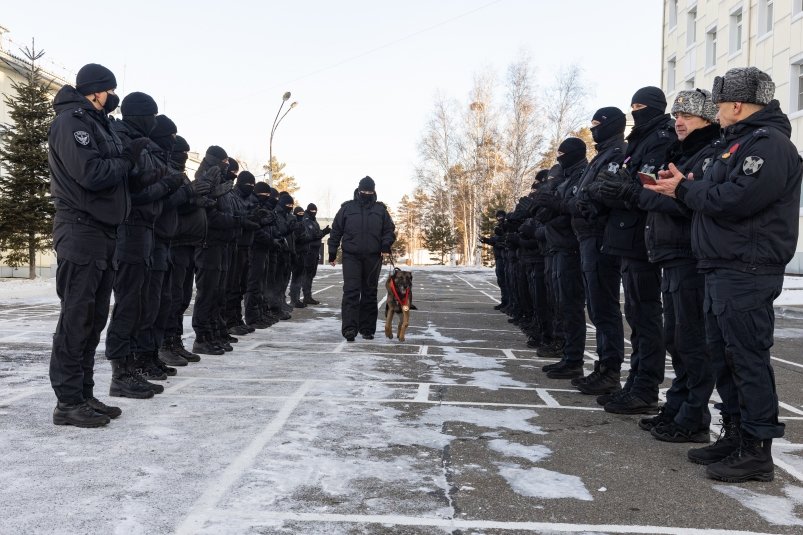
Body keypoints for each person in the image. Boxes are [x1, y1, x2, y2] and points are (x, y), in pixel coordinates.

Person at [646, 67, 803, 482]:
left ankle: (756, 451)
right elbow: (709, 190)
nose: (715, 111)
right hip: (721, 265)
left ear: (736, 104)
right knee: (724, 356)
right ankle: (734, 435)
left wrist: (685, 190)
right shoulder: (737, 144)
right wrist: (685, 183)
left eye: (718, 104)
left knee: (746, 358)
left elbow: (734, 199)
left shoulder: (769, 145)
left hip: (747, 268)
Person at [608, 89, 720, 443]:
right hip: (669, 251)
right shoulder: (683, 152)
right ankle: (677, 406)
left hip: (688, 253)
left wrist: (642, 193)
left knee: (691, 340)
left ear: (708, 118)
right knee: (677, 338)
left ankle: (693, 416)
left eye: (688, 115)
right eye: (677, 116)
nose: (680, 122)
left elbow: (686, 203)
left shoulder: (708, 154)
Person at [48, 63, 150, 426]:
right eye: (109, 90)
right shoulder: (71, 123)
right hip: (80, 230)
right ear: (97, 90)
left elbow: (116, 177)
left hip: (102, 231)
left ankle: (84, 393)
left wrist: (133, 166)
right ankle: (67, 402)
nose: (113, 97)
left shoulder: (96, 122)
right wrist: (125, 158)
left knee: (93, 318)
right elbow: (91, 174)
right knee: (76, 316)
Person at [591, 86, 676, 414]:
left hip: (642, 236)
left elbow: (647, 183)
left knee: (646, 315)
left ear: (655, 107)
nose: (635, 110)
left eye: (641, 105)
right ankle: (636, 382)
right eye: (632, 105)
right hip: (626, 235)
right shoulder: (638, 140)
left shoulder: (660, 137)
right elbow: (624, 178)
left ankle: (645, 387)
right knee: (636, 315)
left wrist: (622, 189)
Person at [568, 108, 627, 395]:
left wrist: (588, 199)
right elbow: (584, 192)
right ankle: (602, 367)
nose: (593, 130)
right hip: (588, 237)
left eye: (597, 124)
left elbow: (603, 190)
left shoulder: (617, 152)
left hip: (601, 237)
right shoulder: (601, 155)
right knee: (596, 307)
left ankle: (610, 370)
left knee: (604, 307)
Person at [532, 138, 588, 379]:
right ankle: (568, 354)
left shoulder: (581, 175)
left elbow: (574, 209)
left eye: (563, 153)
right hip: (557, 247)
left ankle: (574, 357)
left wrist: (554, 211)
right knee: (561, 304)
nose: (559, 157)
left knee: (572, 306)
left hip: (570, 247)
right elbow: (553, 208)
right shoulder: (565, 178)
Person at [328, 176, 396, 341]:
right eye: (363, 190)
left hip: (373, 257)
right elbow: (336, 230)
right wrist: (332, 252)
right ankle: (350, 329)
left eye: (369, 191)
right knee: (351, 292)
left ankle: (367, 328)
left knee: (370, 293)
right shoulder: (347, 208)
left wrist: (386, 245)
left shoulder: (381, 210)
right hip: (351, 256)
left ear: (374, 191)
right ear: (358, 190)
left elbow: (389, 230)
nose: (366, 193)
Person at [299, 203, 330, 305]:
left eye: (315, 211)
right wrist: (324, 232)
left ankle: (308, 296)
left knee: (311, 274)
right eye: (312, 211)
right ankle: (305, 296)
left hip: (314, 251)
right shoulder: (307, 220)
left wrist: (323, 232)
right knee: (307, 274)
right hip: (309, 251)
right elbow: (313, 235)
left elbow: (316, 234)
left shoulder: (313, 220)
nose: (314, 212)